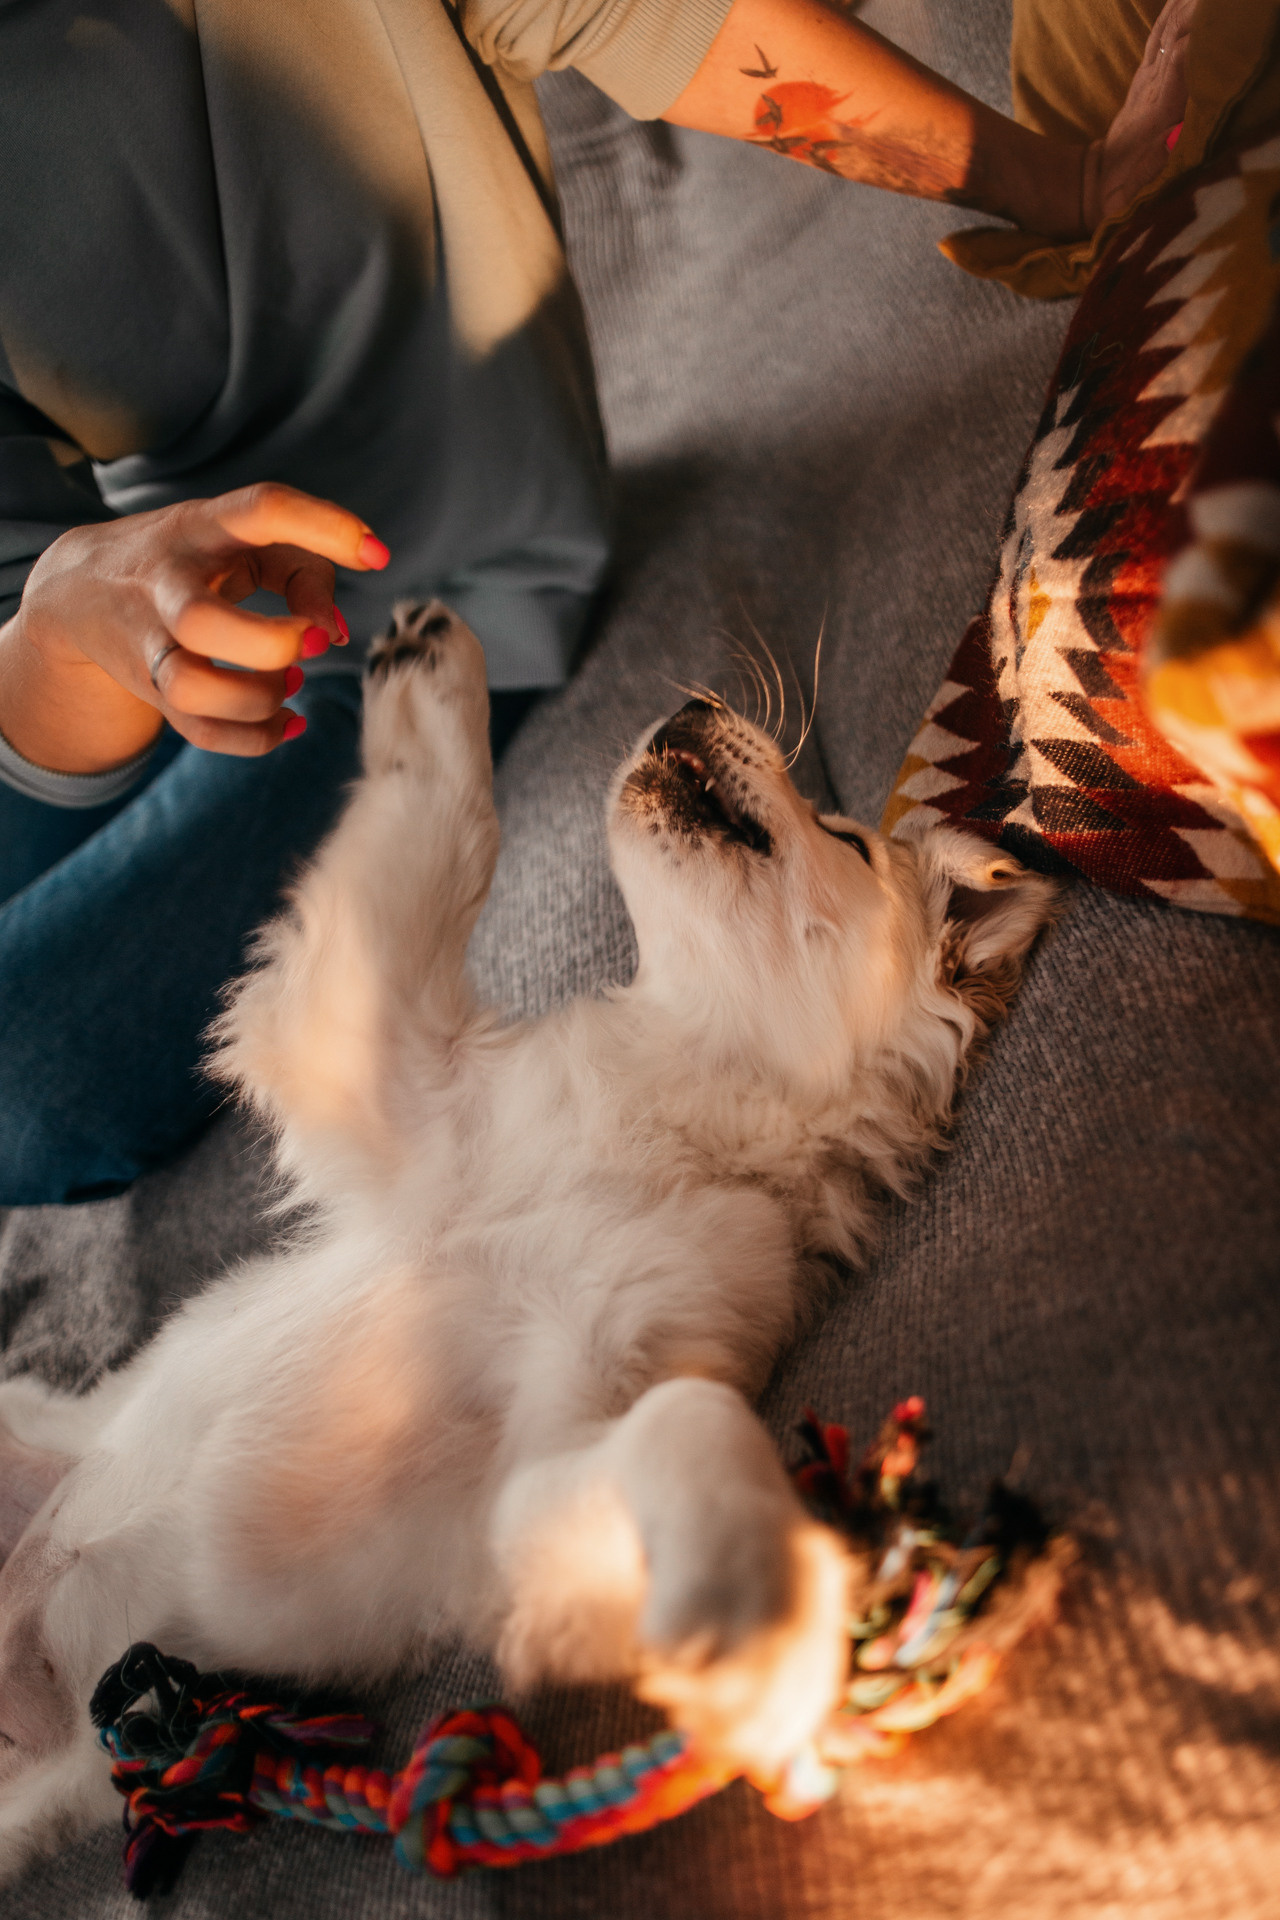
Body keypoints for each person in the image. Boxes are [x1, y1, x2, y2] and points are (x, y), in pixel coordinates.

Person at [0, 0, 1189, 1206]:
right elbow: (26, 694)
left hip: (419, 601)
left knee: (21, 1092)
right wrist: (63, 623)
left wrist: (1074, 183)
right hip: (96, 635)